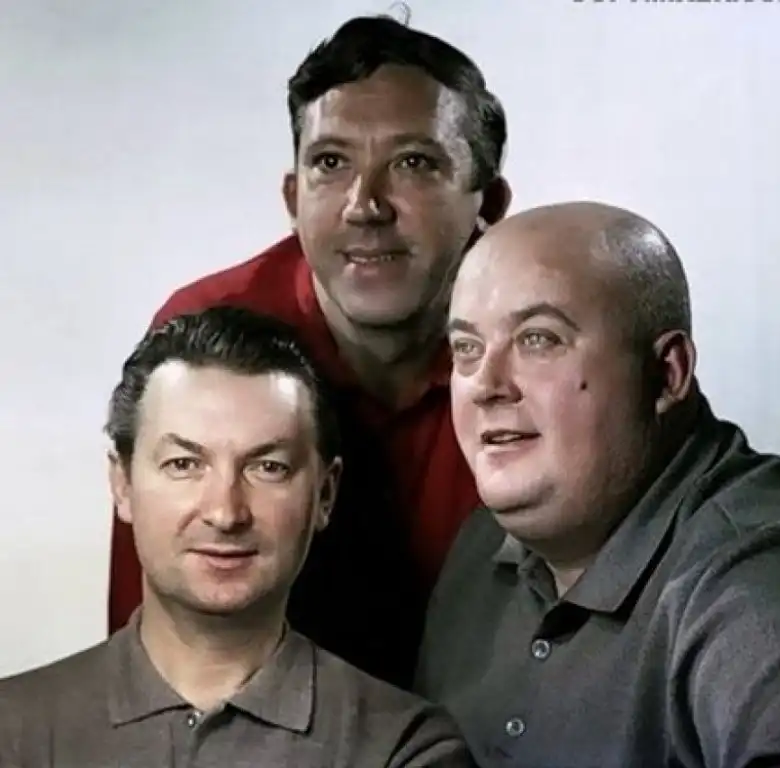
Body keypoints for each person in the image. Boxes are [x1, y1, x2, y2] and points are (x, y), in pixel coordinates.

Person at [108, 13, 511, 690]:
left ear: (488, 204)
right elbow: (153, 649)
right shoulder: (201, 340)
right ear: (293, 198)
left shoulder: (551, 348)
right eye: (331, 163)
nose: (365, 205)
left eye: (413, 163)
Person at [415, 201, 780, 767]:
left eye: (538, 339)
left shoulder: (761, 572)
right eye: (467, 349)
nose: (485, 385)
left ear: (667, 374)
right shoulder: (482, 542)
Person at [0, 306, 475, 767]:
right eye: (184, 464)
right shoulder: (12, 731)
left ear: (325, 494)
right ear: (122, 484)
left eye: (267, 467)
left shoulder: (402, 746)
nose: (225, 513)